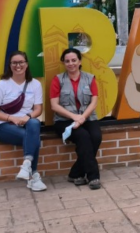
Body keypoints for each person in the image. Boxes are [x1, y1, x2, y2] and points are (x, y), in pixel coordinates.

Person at [0, 51, 47, 192]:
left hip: (26, 122)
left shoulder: (35, 84)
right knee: (33, 139)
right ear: (10, 66)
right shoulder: (2, 85)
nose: (18, 65)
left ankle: (27, 164)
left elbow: (38, 109)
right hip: (4, 125)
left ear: (26, 64)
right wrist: (12, 118)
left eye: (21, 62)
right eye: (14, 63)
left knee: (34, 123)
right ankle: (33, 176)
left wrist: (27, 116)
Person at [50, 48, 102, 190]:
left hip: (87, 117)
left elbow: (94, 102)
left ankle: (76, 173)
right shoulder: (57, 80)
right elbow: (54, 105)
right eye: (67, 61)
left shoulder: (90, 78)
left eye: (74, 60)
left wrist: (82, 118)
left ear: (79, 61)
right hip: (64, 120)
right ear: (64, 63)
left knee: (96, 137)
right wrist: (74, 117)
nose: (71, 63)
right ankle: (93, 176)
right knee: (83, 136)